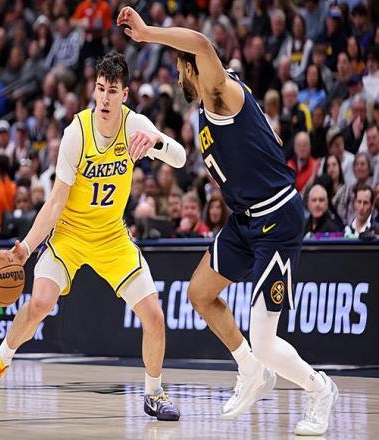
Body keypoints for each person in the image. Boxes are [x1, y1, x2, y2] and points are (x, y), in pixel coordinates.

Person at [118, 7, 338, 435]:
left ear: (191, 67)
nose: (177, 80)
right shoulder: (209, 106)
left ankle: (320, 390)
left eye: (179, 70)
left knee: (266, 341)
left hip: (276, 217)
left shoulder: (220, 91)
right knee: (199, 293)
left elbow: (201, 43)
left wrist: (146, 33)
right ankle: (251, 370)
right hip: (245, 220)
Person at [0, 52, 185, 421]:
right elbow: (55, 202)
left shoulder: (136, 125)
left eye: (112, 91)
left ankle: (153, 394)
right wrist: (26, 247)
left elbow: (179, 158)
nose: (104, 98)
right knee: (40, 303)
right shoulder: (77, 133)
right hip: (69, 234)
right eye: (100, 89)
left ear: (125, 95)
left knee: (154, 316)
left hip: (112, 236)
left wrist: (157, 140)